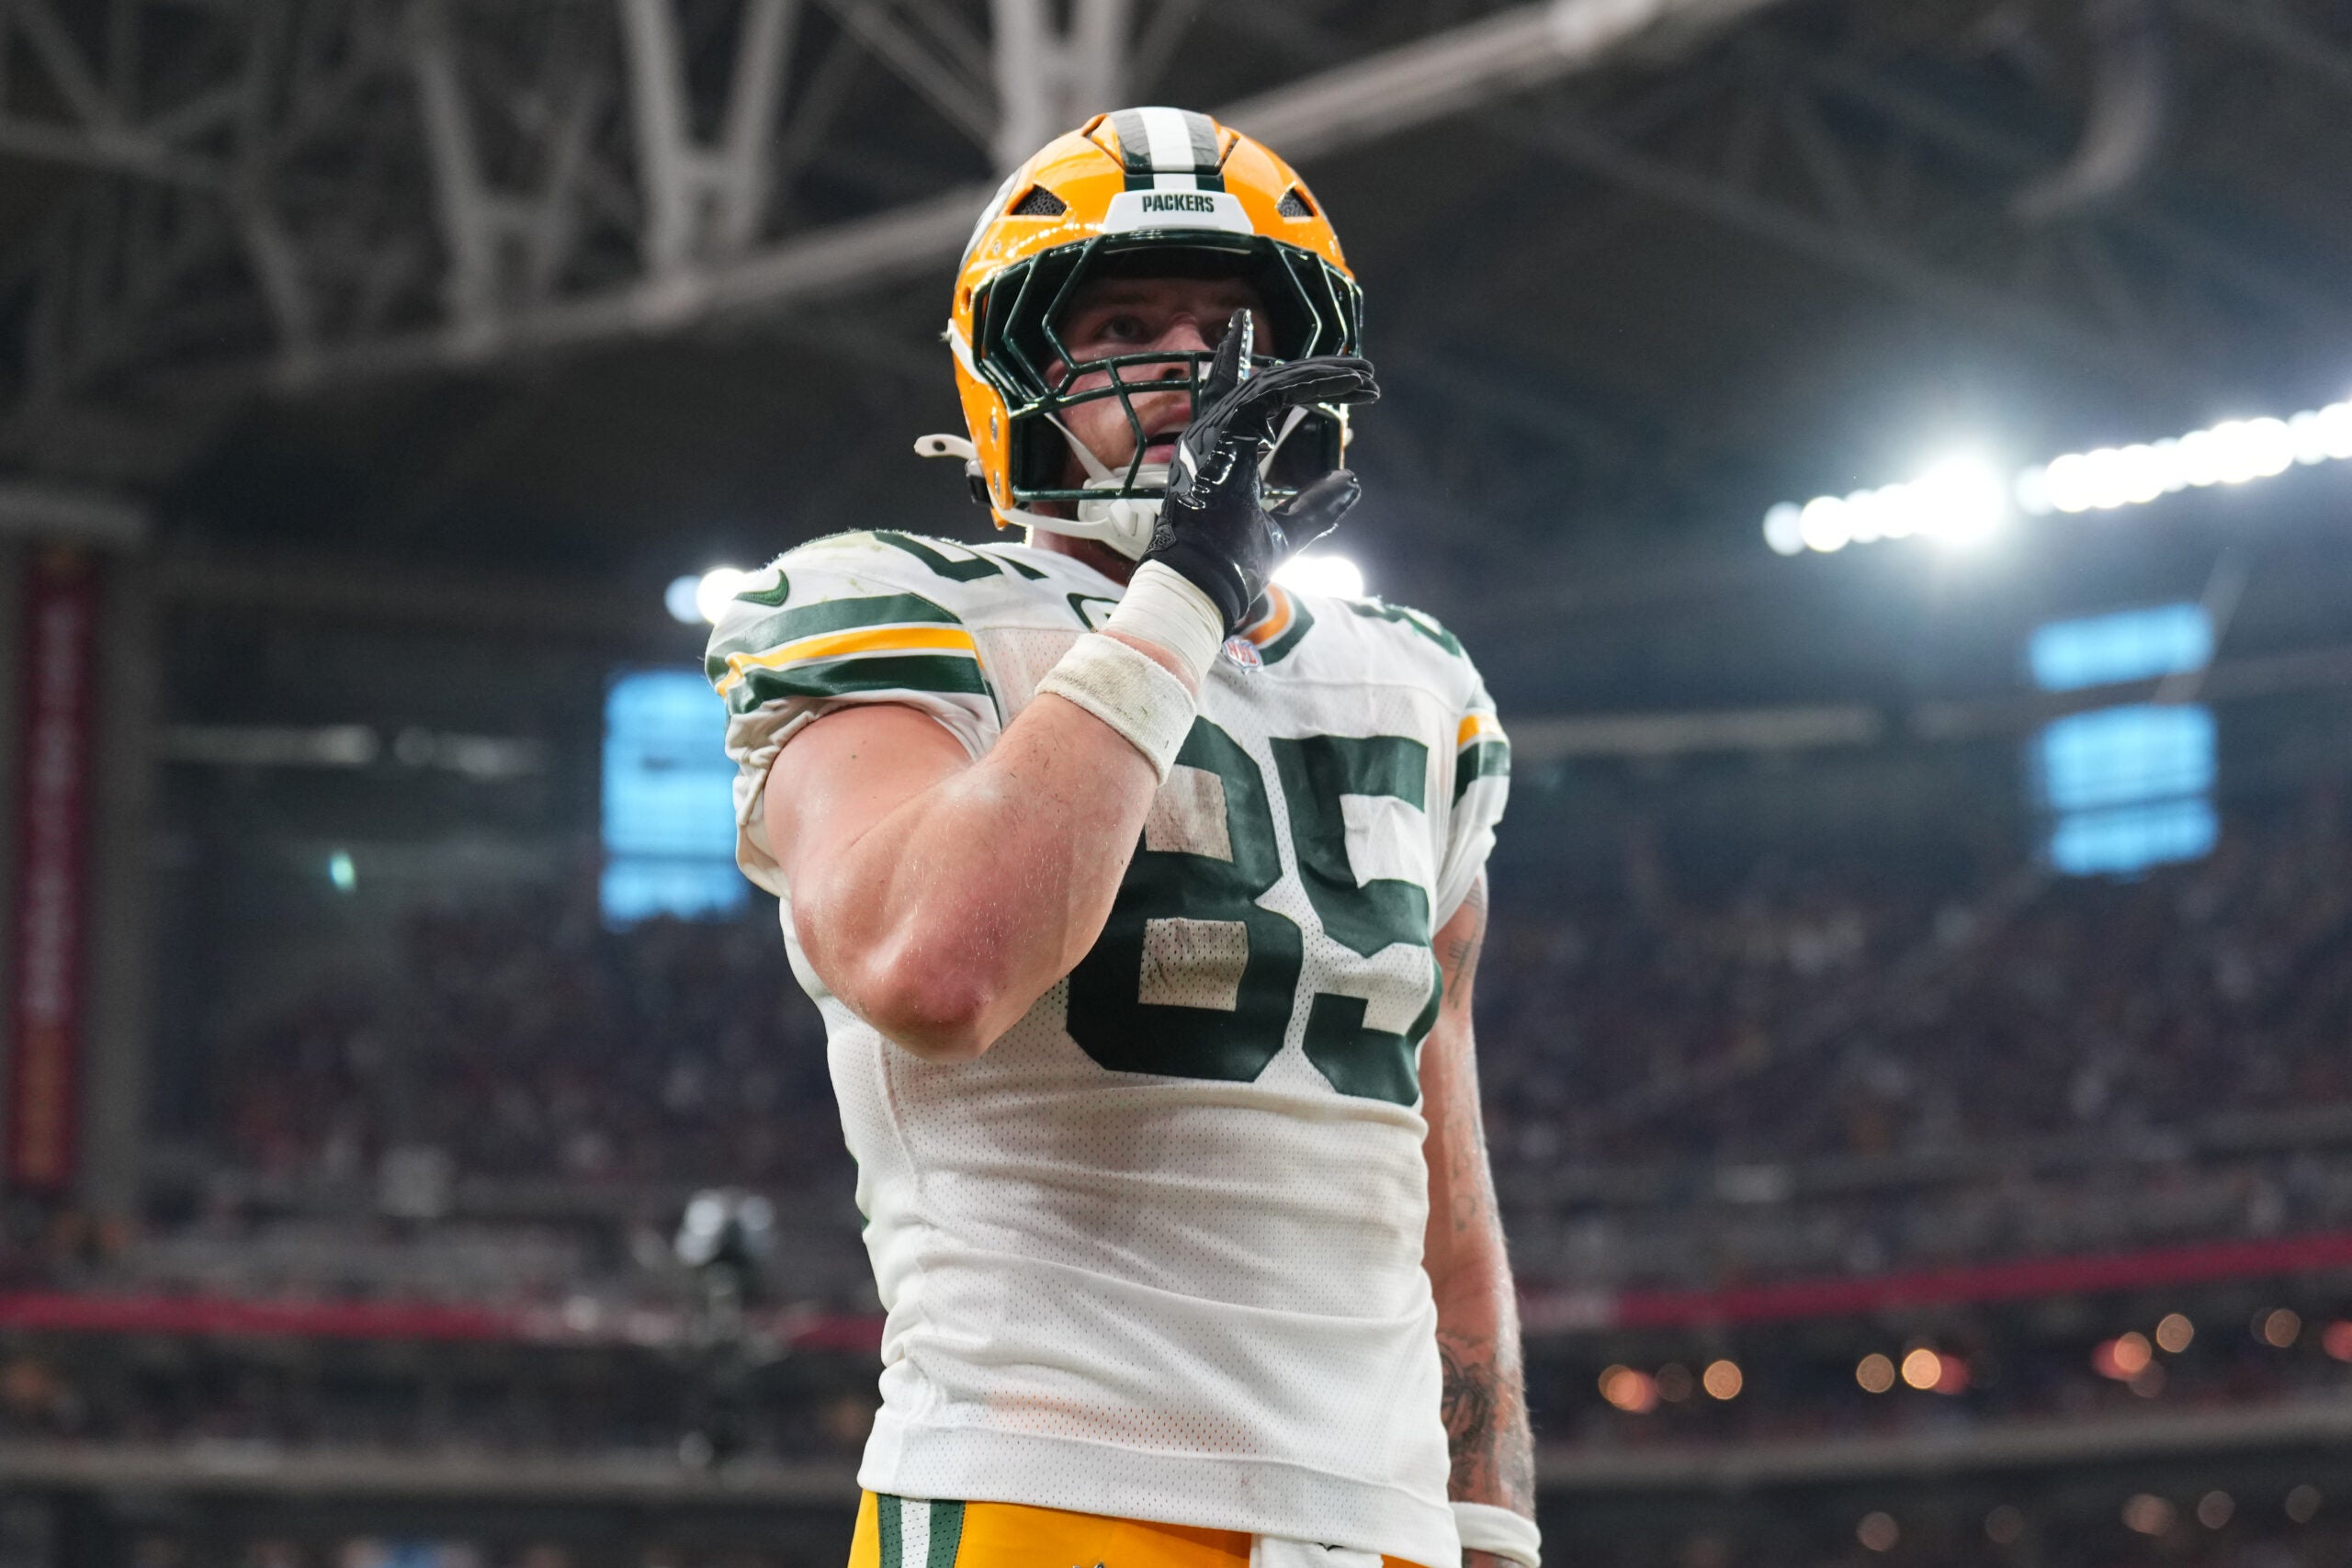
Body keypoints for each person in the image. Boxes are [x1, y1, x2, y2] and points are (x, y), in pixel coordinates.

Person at [705, 107, 1531, 1568]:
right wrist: (1187, 590)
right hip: (1057, 1487)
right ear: (1017, 370)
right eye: (1129, 323)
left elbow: (1442, 1183)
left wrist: (1490, 1520)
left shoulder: (1423, 680)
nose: (1189, 373)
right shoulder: (892, 604)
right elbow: (932, 968)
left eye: (1231, 330)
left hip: (1384, 1517)